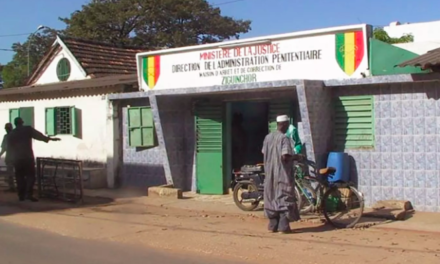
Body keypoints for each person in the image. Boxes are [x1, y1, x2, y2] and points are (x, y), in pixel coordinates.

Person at [261, 115, 300, 234]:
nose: (288, 127)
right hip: (282, 174)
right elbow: (285, 156)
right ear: (283, 124)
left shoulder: (268, 137)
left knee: (271, 198)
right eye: (287, 124)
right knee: (284, 198)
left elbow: (263, 151)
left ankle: (273, 226)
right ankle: (283, 227)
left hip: (269, 175)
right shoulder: (284, 138)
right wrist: (296, 157)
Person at [7, 117, 61, 202]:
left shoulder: (12, 134)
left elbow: (9, 148)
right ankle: (28, 194)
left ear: (15, 124)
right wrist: (48, 139)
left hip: (17, 158)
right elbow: (38, 135)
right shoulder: (27, 129)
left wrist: (9, 158)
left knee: (19, 177)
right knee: (30, 176)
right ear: (22, 122)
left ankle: (21, 195)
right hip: (28, 157)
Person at [0, 123, 15, 191]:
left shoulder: (14, 136)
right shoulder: (6, 136)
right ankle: (12, 186)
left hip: (14, 157)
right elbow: (3, 148)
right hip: (11, 157)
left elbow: (4, 148)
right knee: (10, 172)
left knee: (12, 172)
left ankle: (13, 186)